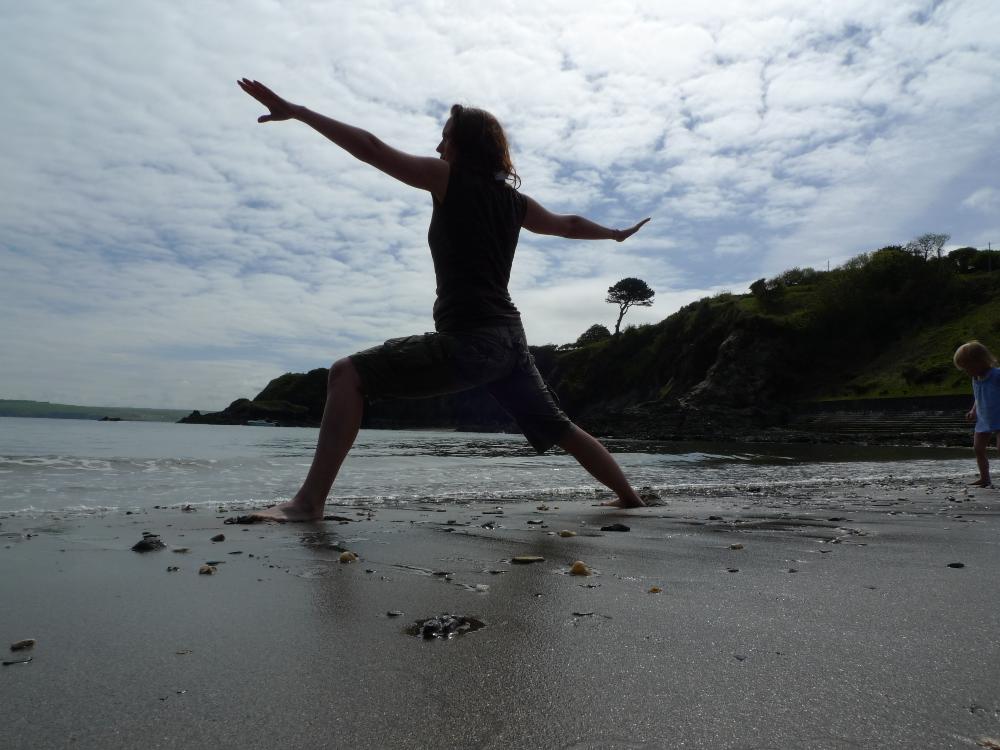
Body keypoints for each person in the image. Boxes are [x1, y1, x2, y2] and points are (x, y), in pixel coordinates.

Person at [237, 78, 651, 521]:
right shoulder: (514, 202)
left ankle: (307, 503)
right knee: (560, 427)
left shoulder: (448, 180)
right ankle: (630, 498)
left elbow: (373, 149)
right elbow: (566, 224)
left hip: (473, 340)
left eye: (445, 138)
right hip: (509, 341)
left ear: (463, 145)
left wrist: (299, 111)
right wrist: (613, 234)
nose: (438, 148)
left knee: (346, 375)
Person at [953, 340, 1000, 487]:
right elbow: (978, 397)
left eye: (968, 368)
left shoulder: (996, 375)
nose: (967, 372)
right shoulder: (975, 379)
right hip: (984, 417)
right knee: (978, 449)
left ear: (980, 361)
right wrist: (973, 411)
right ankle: (985, 478)